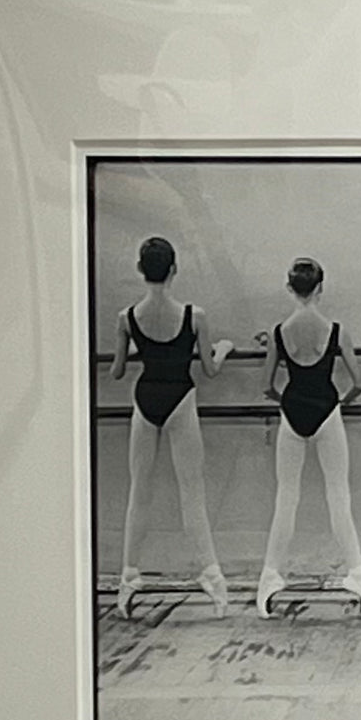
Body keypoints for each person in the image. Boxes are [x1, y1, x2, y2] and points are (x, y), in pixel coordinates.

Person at [109, 236, 235, 618]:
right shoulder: (195, 316)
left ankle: (129, 576)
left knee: (139, 493)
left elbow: (115, 372)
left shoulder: (127, 318)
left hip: (145, 399)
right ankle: (211, 575)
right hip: (181, 399)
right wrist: (225, 349)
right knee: (192, 494)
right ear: (175, 269)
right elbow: (210, 370)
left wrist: (137, 348)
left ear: (139, 270)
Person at [255, 258, 361, 619]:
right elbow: (359, 382)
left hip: (292, 414)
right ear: (320, 288)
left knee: (286, 498)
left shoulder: (279, 332)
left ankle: (269, 578)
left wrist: (286, 400)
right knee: (339, 497)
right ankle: (358, 577)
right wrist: (339, 402)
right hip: (327, 411)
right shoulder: (336, 331)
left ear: (290, 289)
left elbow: (265, 386)